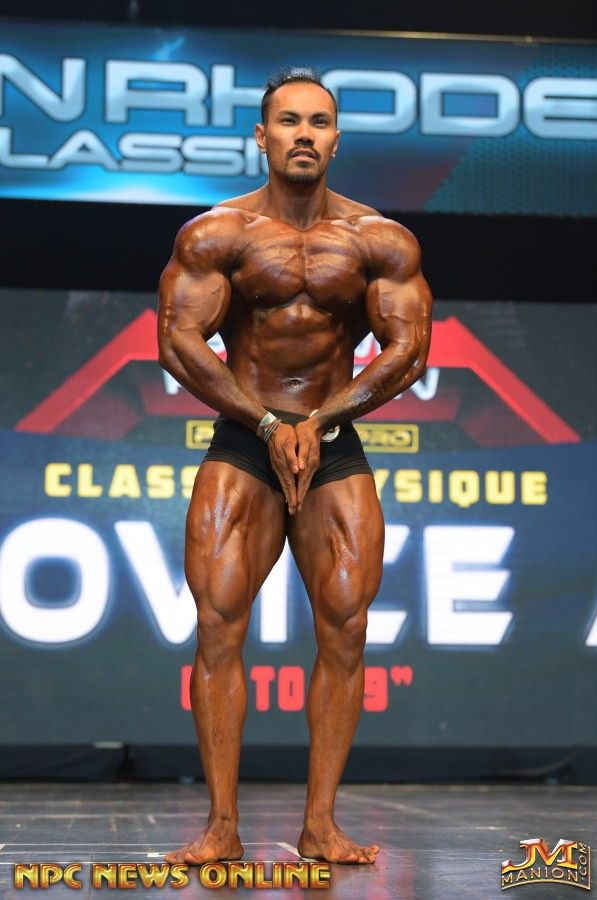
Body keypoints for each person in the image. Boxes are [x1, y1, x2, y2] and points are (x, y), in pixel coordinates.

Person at [157, 66, 432, 865]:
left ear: (336, 140)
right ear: (262, 136)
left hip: (330, 438)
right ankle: (221, 826)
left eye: (318, 122)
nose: (303, 134)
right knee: (218, 625)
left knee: (347, 626)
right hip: (248, 439)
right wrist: (270, 422)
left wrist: (322, 419)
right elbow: (177, 341)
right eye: (288, 121)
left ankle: (321, 825)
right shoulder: (218, 235)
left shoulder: (380, 240)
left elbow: (409, 349)